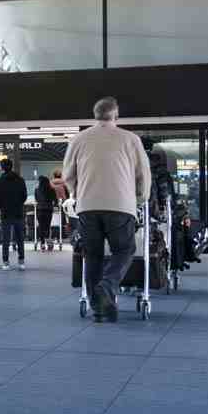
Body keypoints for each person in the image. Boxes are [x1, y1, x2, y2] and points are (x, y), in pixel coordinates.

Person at [62, 97, 151, 323]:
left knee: (92, 256)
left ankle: (100, 309)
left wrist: (77, 193)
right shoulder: (131, 139)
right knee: (124, 249)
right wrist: (139, 199)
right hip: (121, 206)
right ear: (115, 115)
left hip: (87, 207)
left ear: (95, 115)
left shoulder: (79, 139)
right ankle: (107, 285)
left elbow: (68, 176)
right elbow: (143, 175)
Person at [0, 159, 28, 270]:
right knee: (20, 238)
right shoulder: (20, 180)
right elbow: (24, 196)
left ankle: (6, 262)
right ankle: (21, 261)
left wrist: (1, 207)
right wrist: (18, 204)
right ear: (11, 166)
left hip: (5, 213)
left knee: (6, 239)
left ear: (2, 167)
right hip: (18, 212)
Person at [34, 175, 58, 251]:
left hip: (40, 209)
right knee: (47, 226)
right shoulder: (51, 189)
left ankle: (42, 243)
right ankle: (49, 244)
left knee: (41, 226)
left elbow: (37, 199)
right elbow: (55, 200)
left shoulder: (37, 190)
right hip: (48, 209)